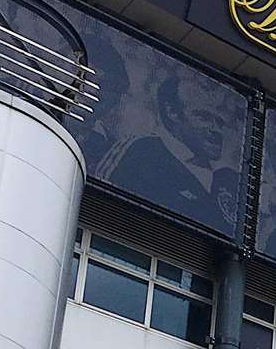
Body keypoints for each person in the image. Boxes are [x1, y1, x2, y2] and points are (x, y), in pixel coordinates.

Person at [103, 71, 241, 235]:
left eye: (220, 122)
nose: (216, 130)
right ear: (172, 113)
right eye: (203, 117)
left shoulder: (229, 181)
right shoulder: (142, 151)